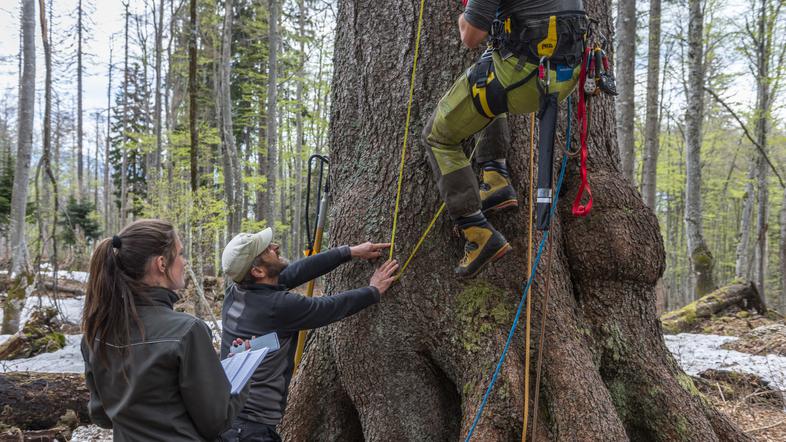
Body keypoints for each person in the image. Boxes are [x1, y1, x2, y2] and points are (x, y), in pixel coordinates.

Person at [422, 0, 588, 278]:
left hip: (527, 78)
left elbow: (470, 36)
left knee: (437, 137)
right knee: (486, 74)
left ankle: (476, 230)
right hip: (565, 74)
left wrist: (467, 13)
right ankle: (496, 178)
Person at [219, 228, 398, 441]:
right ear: (257, 271)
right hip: (251, 430)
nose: (275, 246)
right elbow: (328, 308)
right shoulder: (279, 306)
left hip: (229, 419)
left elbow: (297, 272)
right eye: (268, 249)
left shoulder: (237, 293)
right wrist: (373, 290)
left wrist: (349, 252)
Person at [81, 219, 249, 441]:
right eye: (180, 254)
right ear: (161, 263)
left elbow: (101, 415)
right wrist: (245, 371)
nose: (184, 261)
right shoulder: (188, 331)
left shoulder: (95, 334)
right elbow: (217, 421)